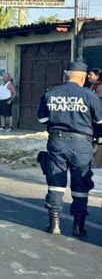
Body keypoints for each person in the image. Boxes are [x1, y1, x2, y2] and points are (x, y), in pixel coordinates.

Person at [37, 62, 102, 237]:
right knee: (81, 184)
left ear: (67, 74)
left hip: (57, 142)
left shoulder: (51, 93)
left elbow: (42, 119)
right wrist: (96, 141)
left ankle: (54, 224)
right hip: (82, 144)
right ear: (82, 76)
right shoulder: (90, 96)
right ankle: (78, 226)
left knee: (55, 182)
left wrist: (56, 128)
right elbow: (99, 123)